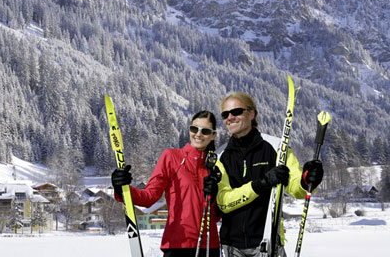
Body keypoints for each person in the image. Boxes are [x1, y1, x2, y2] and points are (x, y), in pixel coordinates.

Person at [215, 92, 324, 257]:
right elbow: (224, 202)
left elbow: (297, 188)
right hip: (232, 246)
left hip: (268, 243)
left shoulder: (277, 147)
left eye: (236, 111)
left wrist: (308, 180)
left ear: (252, 114)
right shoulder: (220, 156)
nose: (230, 117)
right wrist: (260, 185)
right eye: (225, 114)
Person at [111, 111, 222, 257]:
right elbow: (149, 197)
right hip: (177, 245)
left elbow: (218, 214)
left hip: (209, 246)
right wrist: (121, 188)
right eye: (194, 129)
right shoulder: (172, 157)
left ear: (213, 135)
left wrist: (213, 198)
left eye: (205, 131)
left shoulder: (216, 168)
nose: (198, 134)